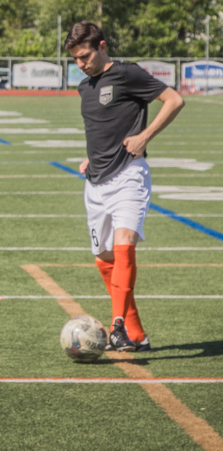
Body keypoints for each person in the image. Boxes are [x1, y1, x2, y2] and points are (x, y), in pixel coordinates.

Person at [65, 21, 185, 352]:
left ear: (102, 46)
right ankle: (136, 332)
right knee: (104, 259)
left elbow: (174, 100)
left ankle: (117, 328)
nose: (81, 64)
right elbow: (101, 129)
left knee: (124, 246)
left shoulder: (128, 74)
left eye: (85, 56)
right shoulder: (84, 88)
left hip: (130, 175)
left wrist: (145, 136)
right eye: (75, 59)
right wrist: (91, 159)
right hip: (96, 184)